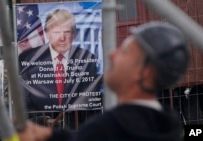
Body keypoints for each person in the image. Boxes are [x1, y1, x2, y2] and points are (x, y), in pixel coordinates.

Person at [18, 21, 189, 141]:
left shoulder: (108, 127)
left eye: (124, 51)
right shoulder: (166, 122)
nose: (111, 55)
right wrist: (50, 136)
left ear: (143, 72)